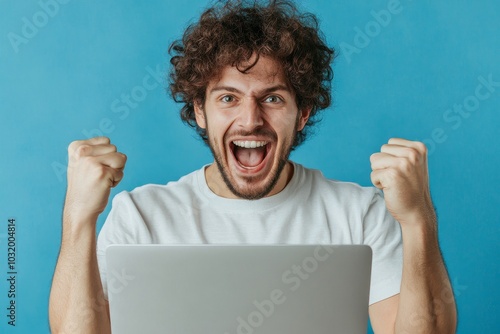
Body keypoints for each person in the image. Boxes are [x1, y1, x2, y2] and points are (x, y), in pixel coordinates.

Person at [49, 0, 457, 333]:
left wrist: (419, 219)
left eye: (273, 98)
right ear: (200, 111)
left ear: (302, 114)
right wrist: (78, 218)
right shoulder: (141, 216)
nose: (249, 120)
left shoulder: (360, 213)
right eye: (228, 98)